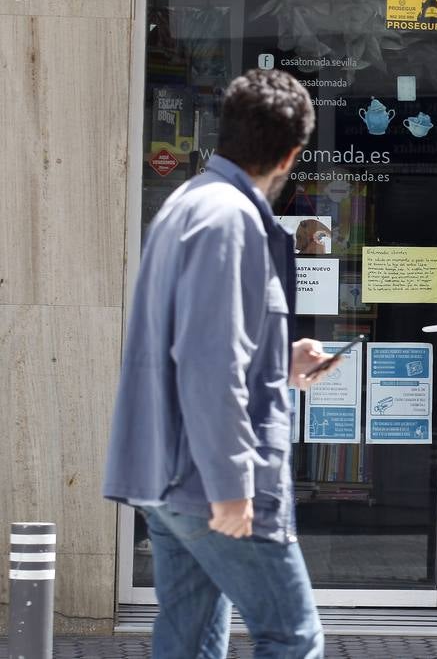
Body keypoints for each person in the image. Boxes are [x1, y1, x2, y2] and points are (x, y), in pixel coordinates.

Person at [103, 70, 332, 659]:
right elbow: (209, 363)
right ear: (290, 155)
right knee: (292, 636)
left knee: (191, 638)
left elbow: (198, 345)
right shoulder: (228, 218)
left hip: (168, 475)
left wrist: (280, 364)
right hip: (212, 485)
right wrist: (232, 487)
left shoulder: (188, 202)